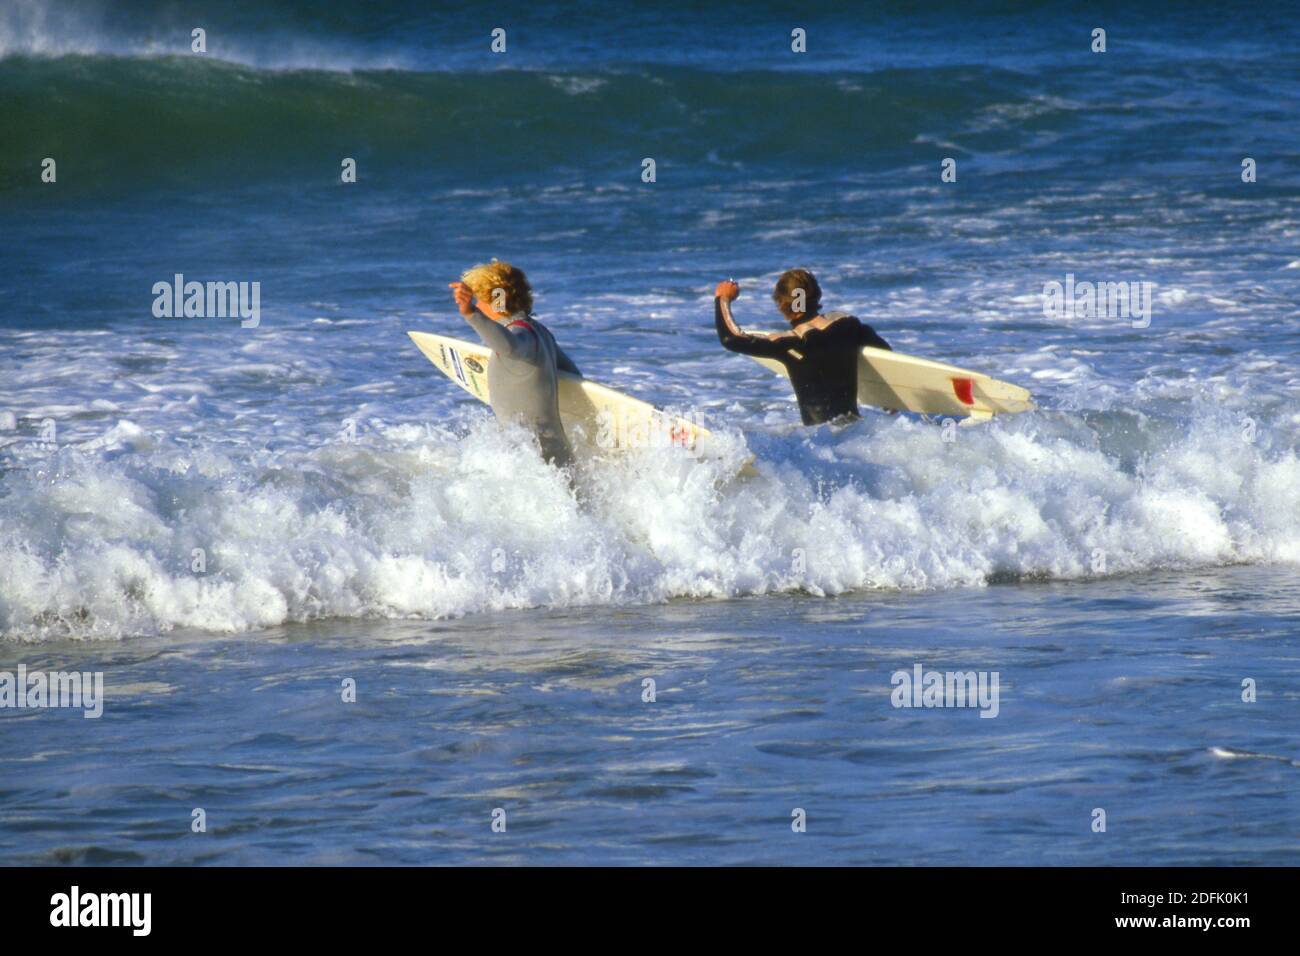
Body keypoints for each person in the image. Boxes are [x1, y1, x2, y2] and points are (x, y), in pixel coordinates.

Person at [713, 269, 891, 426]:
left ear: (782, 304)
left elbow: (731, 339)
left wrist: (723, 298)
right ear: (817, 295)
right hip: (857, 430)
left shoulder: (788, 343)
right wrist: (889, 403)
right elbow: (884, 353)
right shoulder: (849, 325)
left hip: (821, 443)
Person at [448, 260, 581, 466]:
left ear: (496, 298)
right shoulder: (541, 332)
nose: (478, 304)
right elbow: (572, 375)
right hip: (557, 453)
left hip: (533, 457)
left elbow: (509, 347)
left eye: (479, 298)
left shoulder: (522, 335)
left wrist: (471, 314)